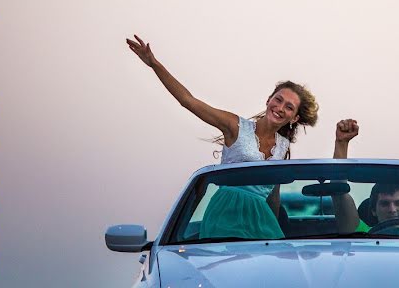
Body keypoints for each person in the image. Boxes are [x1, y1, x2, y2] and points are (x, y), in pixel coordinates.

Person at [126, 34, 319, 239]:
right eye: (278, 100)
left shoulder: (283, 147)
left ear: (295, 118)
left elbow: (273, 195)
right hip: (226, 213)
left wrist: (275, 231)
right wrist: (154, 64)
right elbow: (188, 100)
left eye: (289, 107)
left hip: (261, 219)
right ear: (268, 100)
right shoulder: (235, 126)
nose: (280, 108)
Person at [331, 119, 399, 239]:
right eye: (385, 204)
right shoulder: (361, 233)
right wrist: (341, 143)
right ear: (373, 210)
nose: (392, 210)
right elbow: (338, 191)